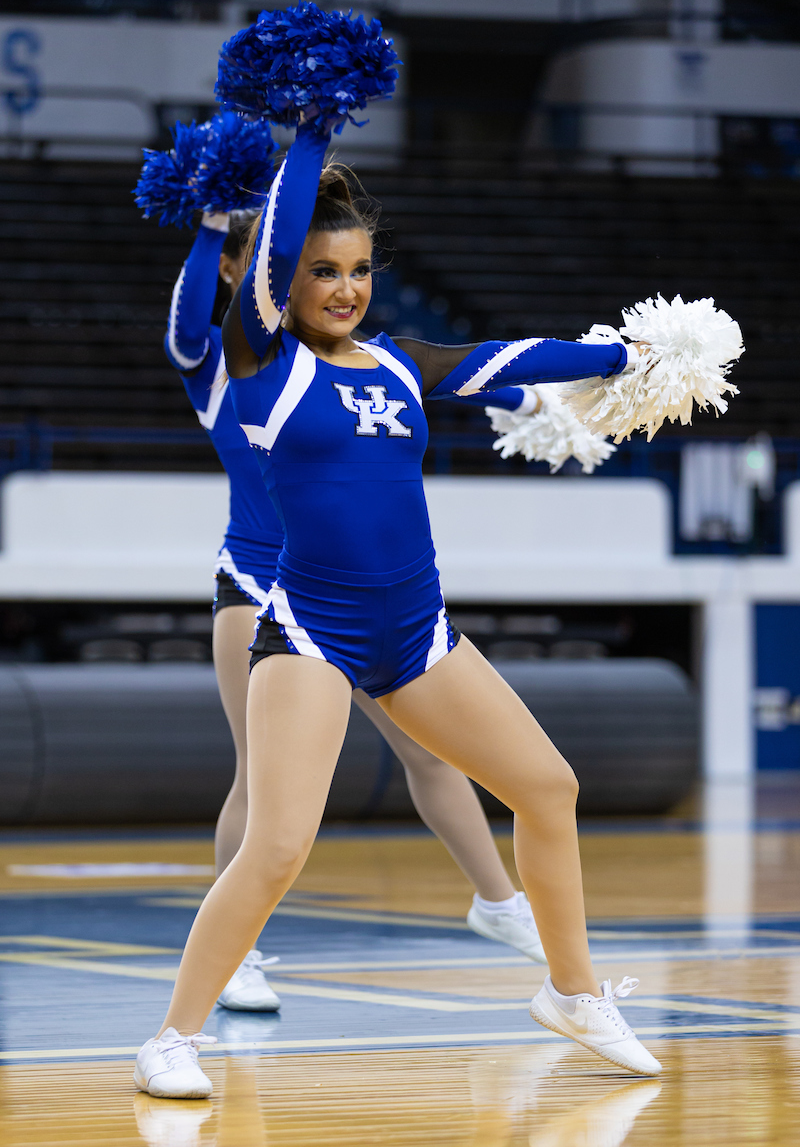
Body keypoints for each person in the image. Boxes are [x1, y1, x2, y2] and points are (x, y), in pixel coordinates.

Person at [135, 119, 661, 1099]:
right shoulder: (258, 365)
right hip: (311, 636)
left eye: (359, 270)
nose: (344, 288)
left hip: (420, 635)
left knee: (548, 788)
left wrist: (622, 357)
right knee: (278, 846)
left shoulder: (398, 364)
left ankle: (573, 992)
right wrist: (308, 134)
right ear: (283, 281)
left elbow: (508, 359)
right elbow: (244, 277)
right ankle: (172, 1038)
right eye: (322, 271)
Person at [163, 209, 552, 1010]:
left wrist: (524, 400)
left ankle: (498, 901)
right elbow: (184, 327)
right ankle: (236, 956)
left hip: (357, 593)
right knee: (260, 781)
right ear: (242, 271)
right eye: (269, 260)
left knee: (432, 755)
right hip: (260, 586)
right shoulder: (225, 364)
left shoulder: (350, 359)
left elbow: (429, 374)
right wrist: (208, 229)